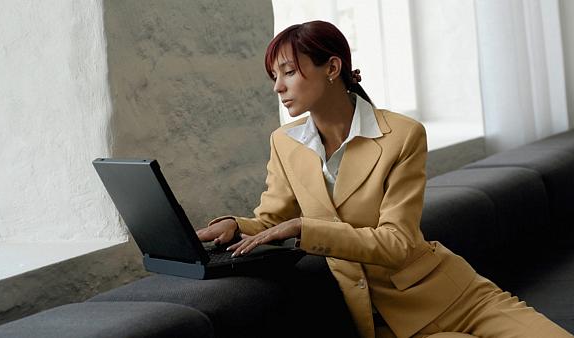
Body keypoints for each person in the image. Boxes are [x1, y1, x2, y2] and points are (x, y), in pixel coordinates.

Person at [196, 20, 572, 338]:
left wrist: (305, 229)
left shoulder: (402, 135)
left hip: (456, 298)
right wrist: (234, 225)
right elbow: (272, 222)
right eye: (274, 76)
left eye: (289, 72)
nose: (278, 87)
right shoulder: (285, 143)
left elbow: (397, 244)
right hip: (384, 323)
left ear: (331, 68)